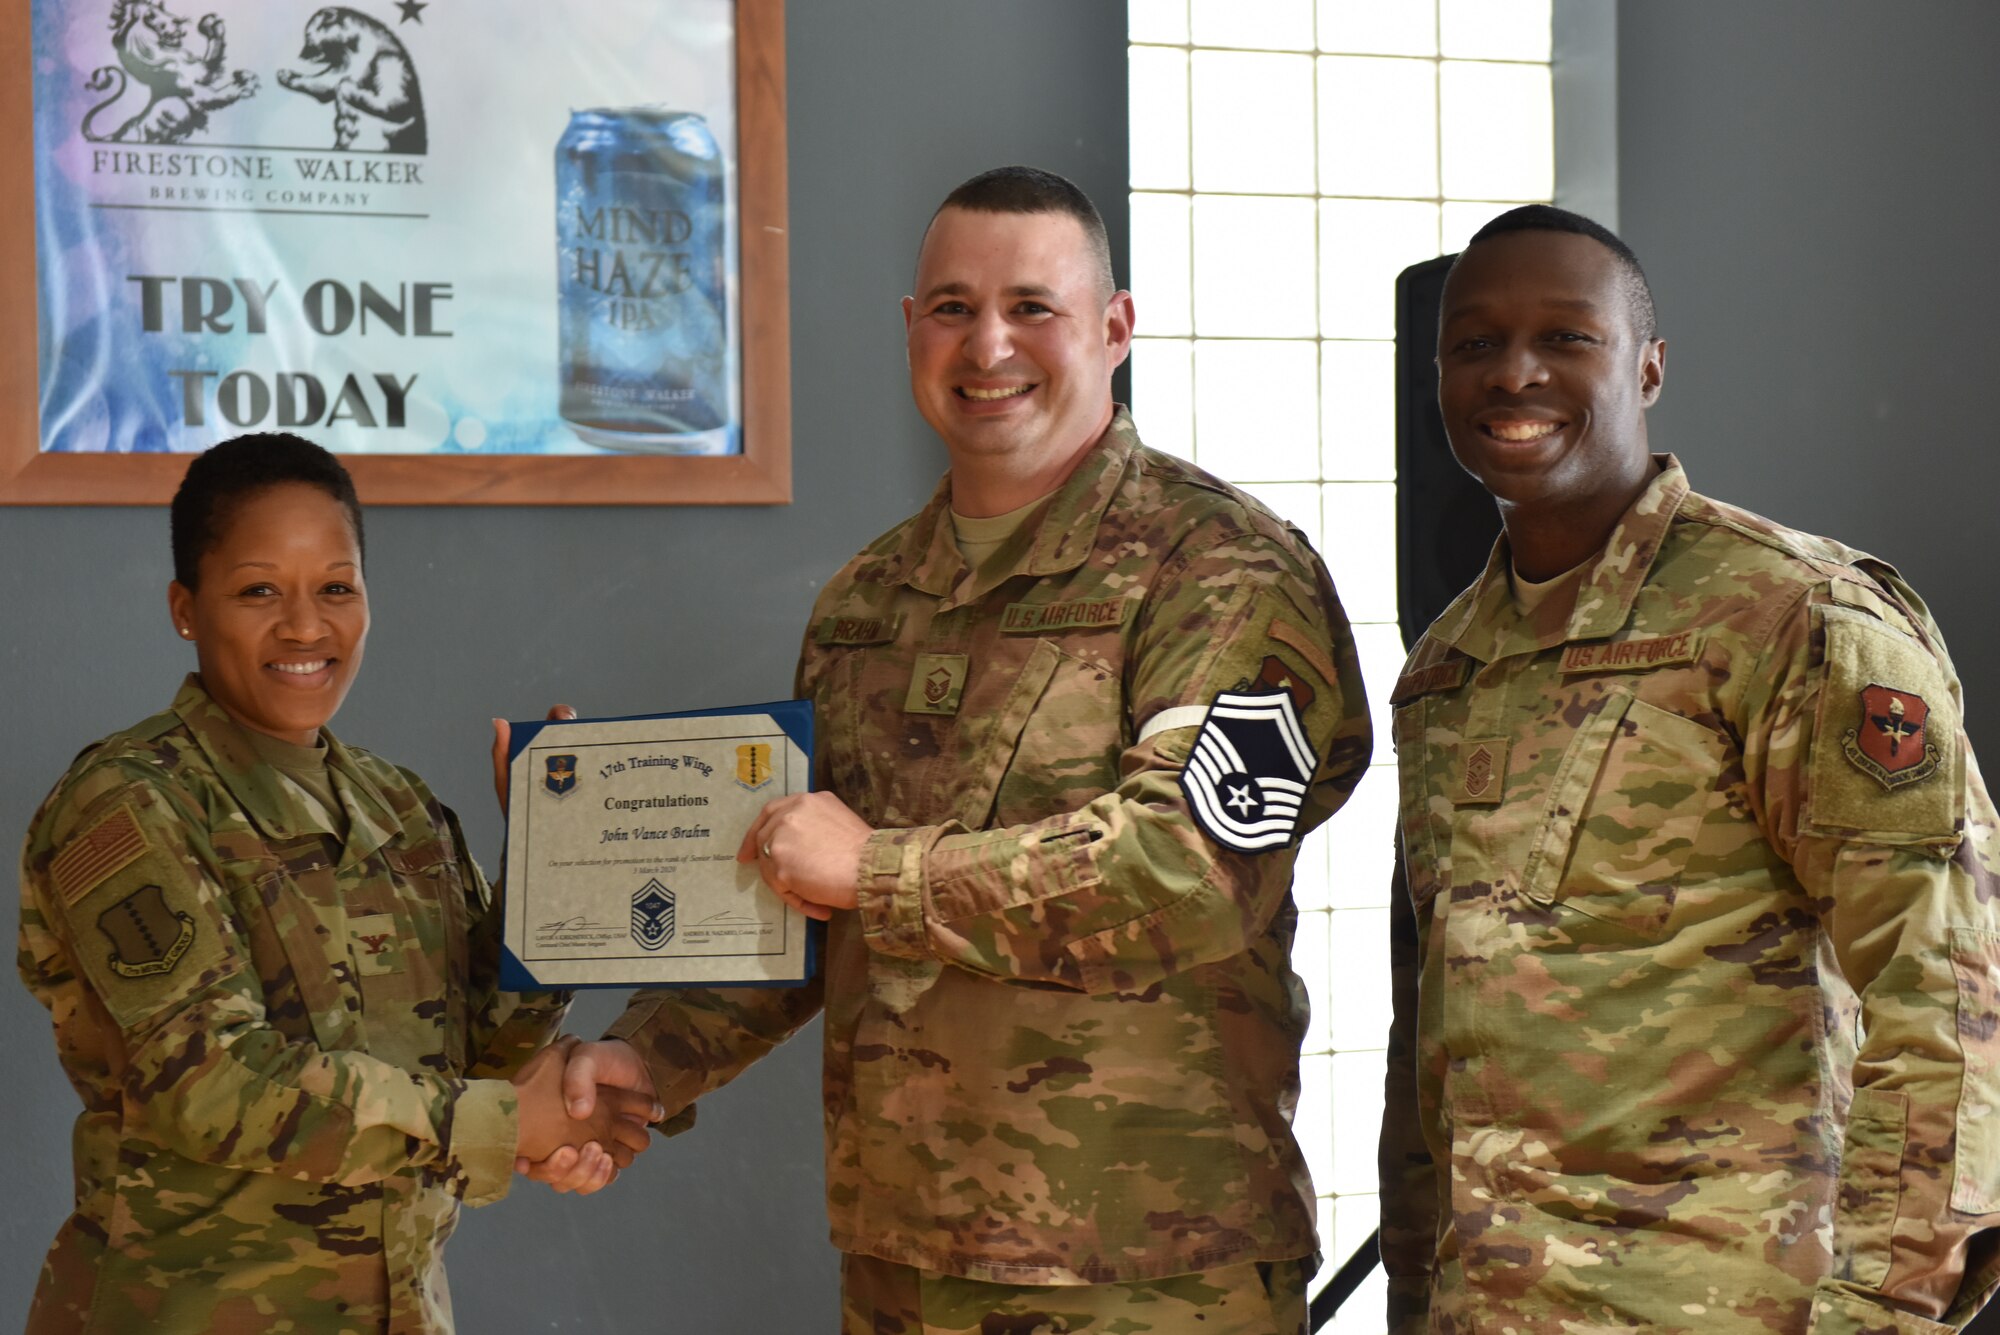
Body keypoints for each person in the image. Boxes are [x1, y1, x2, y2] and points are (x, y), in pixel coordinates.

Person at [531, 166, 1373, 1329]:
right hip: (901, 1262)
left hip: (1146, 1270)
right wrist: (653, 1059)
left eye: (1033, 306)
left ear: (1114, 328)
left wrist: (878, 870)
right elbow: (800, 902)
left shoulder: (1219, 570)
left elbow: (1187, 873)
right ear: (910, 329)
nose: (988, 346)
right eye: (950, 308)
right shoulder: (868, 601)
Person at [1377, 205, 2000, 1333]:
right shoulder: (1446, 670)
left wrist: (1883, 1313)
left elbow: (1947, 997)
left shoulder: (1791, 618)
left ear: (1648, 367)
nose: (1513, 373)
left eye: (1565, 338)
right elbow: (1432, 1042)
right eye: (1473, 344)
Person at [17, 433, 657, 1334]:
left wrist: (553, 857)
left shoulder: (398, 805)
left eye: (336, 587)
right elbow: (208, 1079)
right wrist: (503, 1124)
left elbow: (486, 1047)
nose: (305, 626)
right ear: (185, 608)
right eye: (258, 590)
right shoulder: (128, 802)